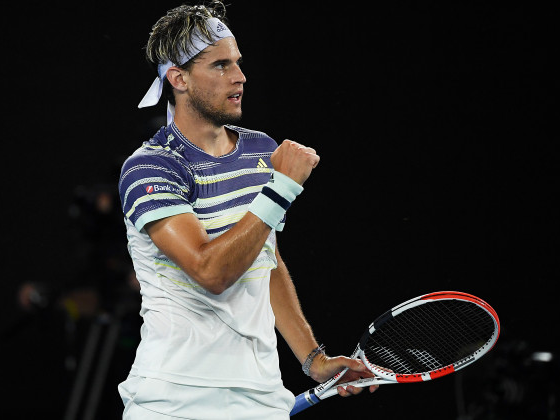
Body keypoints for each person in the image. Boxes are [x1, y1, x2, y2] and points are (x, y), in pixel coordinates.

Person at [117, 2, 378, 418]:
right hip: (173, 402)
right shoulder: (152, 167)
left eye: (237, 62)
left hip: (260, 397)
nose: (240, 77)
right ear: (178, 79)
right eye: (220, 65)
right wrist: (284, 186)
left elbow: (263, 258)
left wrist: (314, 360)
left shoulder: (260, 151)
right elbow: (211, 272)